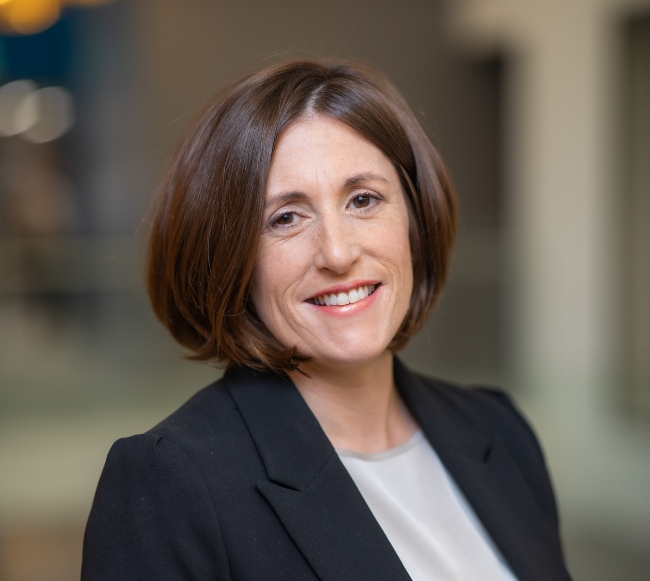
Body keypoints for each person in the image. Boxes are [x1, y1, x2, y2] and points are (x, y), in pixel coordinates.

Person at [81, 58, 573, 581]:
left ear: (414, 217)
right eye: (286, 218)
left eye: (363, 199)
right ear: (229, 257)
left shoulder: (498, 430)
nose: (337, 254)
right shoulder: (171, 482)